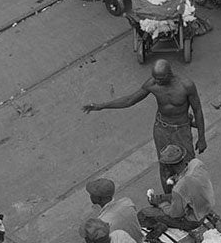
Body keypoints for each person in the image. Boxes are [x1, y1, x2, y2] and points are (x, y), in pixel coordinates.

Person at [82, 59, 206, 190]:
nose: (157, 81)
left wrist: (202, 137)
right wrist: (102, 106)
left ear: (169, 74)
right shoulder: (152, 84)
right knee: (165, 166)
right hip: (162, 129)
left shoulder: (186, 86)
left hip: (181, 130)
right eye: (155, 78)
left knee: (188, 164)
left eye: (160, 79)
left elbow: (197, 109)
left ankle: (192, 195)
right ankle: (169, 198)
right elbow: (130, 100)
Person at [138, 149, 216, 232]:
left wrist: (160, 204)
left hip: (193, 221)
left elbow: (175, 214)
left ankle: (157, 229)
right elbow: (187, 188)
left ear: (168, 167)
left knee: (144, 213)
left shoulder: (179, 188)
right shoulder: (196, 163)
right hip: (204, 206)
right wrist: (177, 178)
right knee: (171, 198)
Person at [70, 177, 143, 243]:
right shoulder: (127, 202)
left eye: (92, 194)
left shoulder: (102, 222)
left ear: (100, 199)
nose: (90, 196)